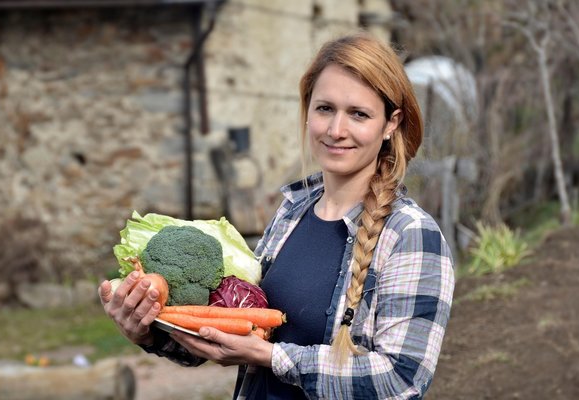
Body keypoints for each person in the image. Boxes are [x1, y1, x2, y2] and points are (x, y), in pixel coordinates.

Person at [99, 31, 455, 399]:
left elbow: (402, 378)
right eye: (325, 108)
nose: (336, 130)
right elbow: (229, 339)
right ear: (307, 110)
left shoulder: (410, 234)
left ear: (391, 123)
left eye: (358, 114)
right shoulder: (292, 212)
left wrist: (274, 357)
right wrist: (149, 330)